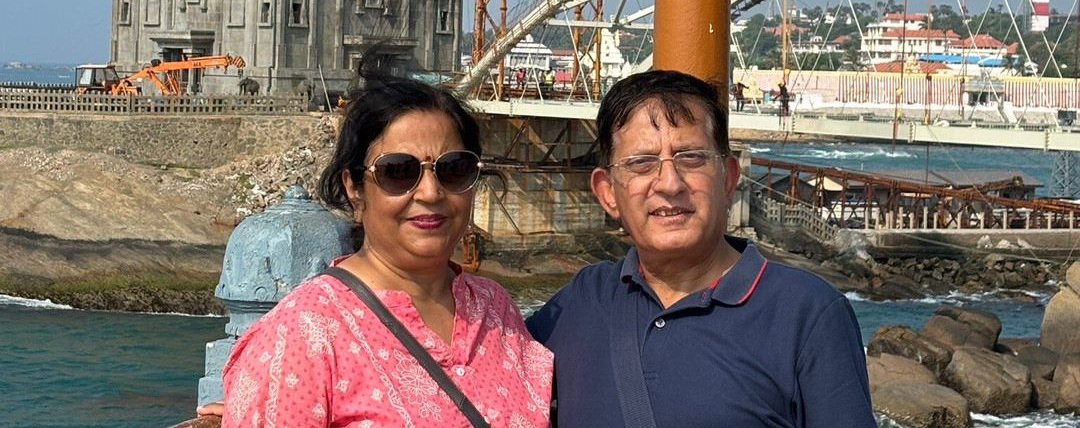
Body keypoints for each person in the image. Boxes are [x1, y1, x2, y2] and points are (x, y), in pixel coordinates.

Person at [526, 70, 874, 428]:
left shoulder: (809, 314)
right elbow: (476, 368)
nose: (670, 183)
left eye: (691, 158)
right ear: (607, 193)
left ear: (728, 177)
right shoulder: (581, 302)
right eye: (642, 163)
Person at [213, 69, 553, 427]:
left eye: (453, 169)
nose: (430, 193)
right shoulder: (304, 333)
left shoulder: (494, 308)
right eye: (398, 172)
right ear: (354, 187)